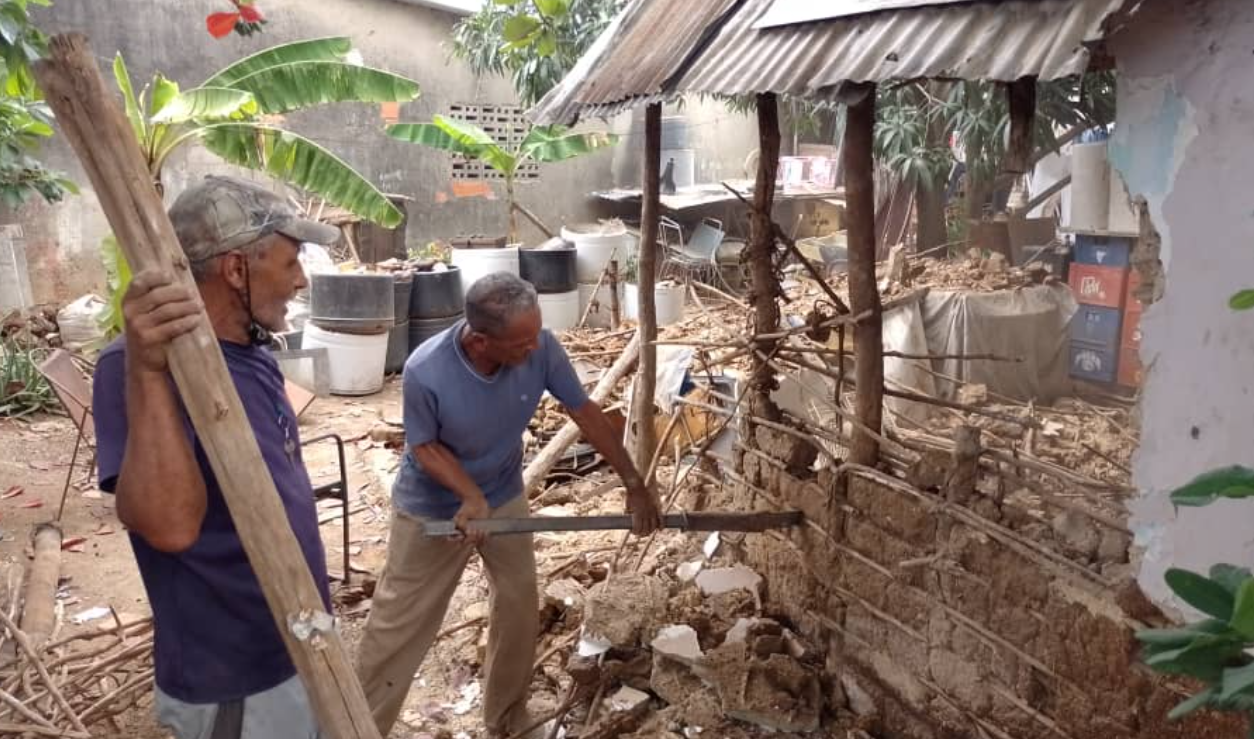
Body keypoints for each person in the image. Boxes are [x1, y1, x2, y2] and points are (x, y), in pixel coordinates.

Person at [357, 272, 662, 738]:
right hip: (432, 507)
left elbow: (584, 412)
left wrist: (633, 481)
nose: (533, 349)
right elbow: (423, 447)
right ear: (481, 341)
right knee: (398, 626)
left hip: (502, 491)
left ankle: (506, 720)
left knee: (520, 604)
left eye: (536, 335)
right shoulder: (427, 369)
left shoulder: (541, 346)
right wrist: (468, 496)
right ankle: (358, 727)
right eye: (521, 342)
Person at [92, 175, 341, 739]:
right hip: (234, 678)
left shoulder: (250, 350)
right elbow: (170, 526)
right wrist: (148, 370)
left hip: (298, 641)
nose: (300, 280)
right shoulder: (133, 368)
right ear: (236, 270)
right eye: (291, 261)